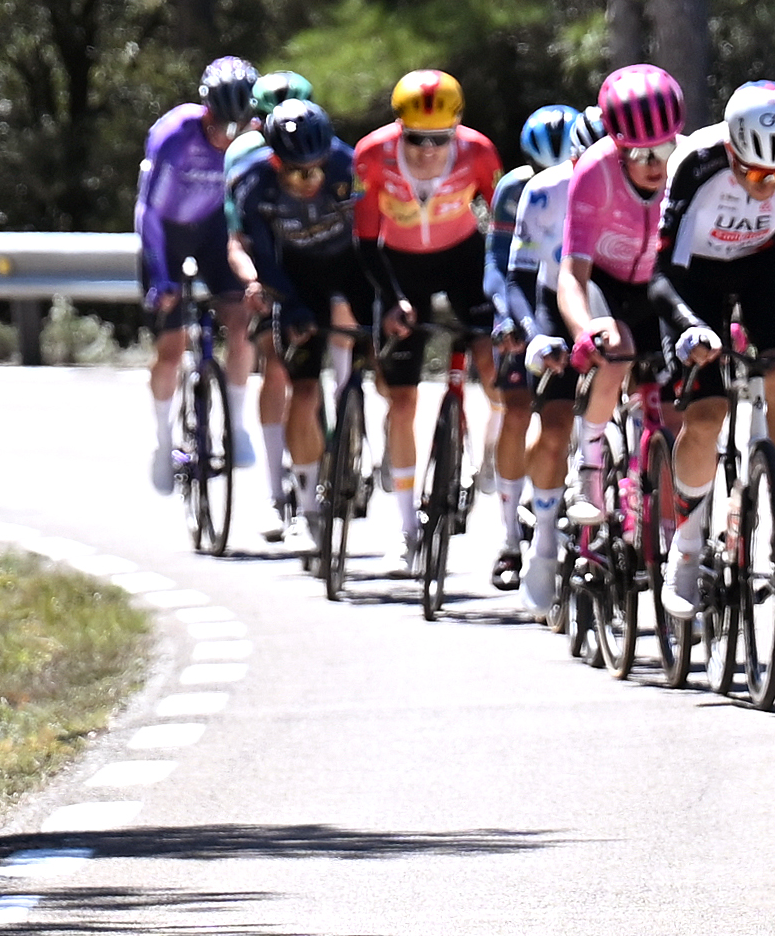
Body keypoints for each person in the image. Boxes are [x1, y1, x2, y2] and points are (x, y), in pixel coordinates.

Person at [651, 77, 775, 600]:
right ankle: (687, 552)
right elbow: (659, 272)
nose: (766, 183)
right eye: (754, 170)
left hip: (765, 262)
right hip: (694, 274)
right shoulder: (696, 161)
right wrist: (687, 326)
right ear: (733, 150)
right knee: (707, 412)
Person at [346, 67, 506, 575]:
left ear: (457, 131)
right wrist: (392, 301)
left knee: (496, 361)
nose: (428, 151)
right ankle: (406, 530)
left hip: (463, 258)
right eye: (415, 139)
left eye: (440, 140)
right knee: (403, 398)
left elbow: (501, 227)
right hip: (399, 266)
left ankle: (490, 454)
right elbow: (364, 242)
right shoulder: (371, 156)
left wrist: (504, 297)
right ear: (399, 129)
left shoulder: (479, 152)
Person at [549, 63, 702, 575]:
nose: (658, 164)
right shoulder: (593, 173)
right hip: (607, 285)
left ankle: (672, 538)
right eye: (642, 154)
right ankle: (590, 461)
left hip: (662, 284)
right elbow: (571, 275)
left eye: (665, 149)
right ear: (618, 147)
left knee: (677, 418)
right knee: (614, 350)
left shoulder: (687, 164)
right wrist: (583, 329)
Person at [230, 92, 366, 521]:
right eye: (295, 169)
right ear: (274, 159)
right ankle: (307, 502)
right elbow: (264, 255)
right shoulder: (253, 183)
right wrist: (284, 303)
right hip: (295, 279)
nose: (308, 177)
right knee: (303, 388)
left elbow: (376, 231)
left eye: (316, 167)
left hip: (351, 269)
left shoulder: (350, 166)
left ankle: (355, 417)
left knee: (379, 365)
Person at [130, 53, 263, 490]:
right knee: (172, 346)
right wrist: (163, 279)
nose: (229, 136)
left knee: (241, 322)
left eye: (238, 125)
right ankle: (163, 438)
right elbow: (147, 208)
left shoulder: (254, 136)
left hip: (212, 230)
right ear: (207, 109)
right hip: (167, 231)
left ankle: (237, 425)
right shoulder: (175, 133)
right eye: (222, 124)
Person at [482, 102, 596, 608]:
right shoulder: (524, 189)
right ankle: (513, 538)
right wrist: (514, 324)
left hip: (606, 303)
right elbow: (504, 266)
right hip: (538, 305)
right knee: (518, 409)